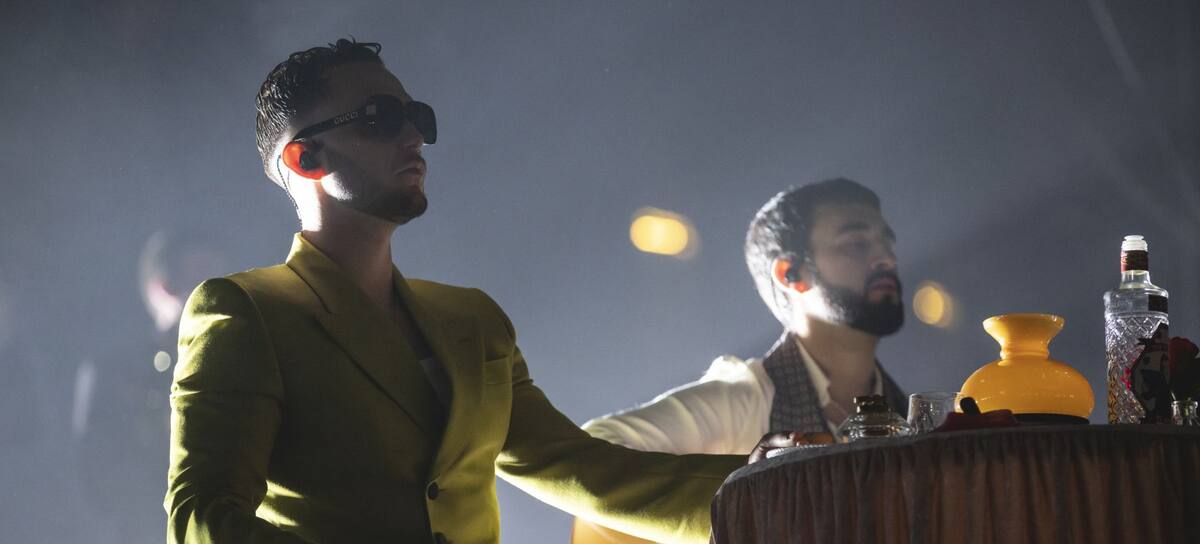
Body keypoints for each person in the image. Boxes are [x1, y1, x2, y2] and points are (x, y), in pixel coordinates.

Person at [164, 38, 746, 544]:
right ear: (303, 156)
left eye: (417, 115)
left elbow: (582, 470)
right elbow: (203, 518)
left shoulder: (472, 318)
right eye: (380, 117)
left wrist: (769, 481)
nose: (415, 135)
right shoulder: (246, 311)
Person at [583, 179, 908, 455]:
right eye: (856, 244)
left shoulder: (911, 417)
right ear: (790, 274)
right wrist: (737, 485)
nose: (886, 259)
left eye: (887, 243)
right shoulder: (742, 403)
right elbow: (591, 449)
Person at [72, 228, 230, 542]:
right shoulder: (114, 373)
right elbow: (98, 477)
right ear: (163, 287)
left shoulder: (239, 365)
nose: (216, 295)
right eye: (199, 279)